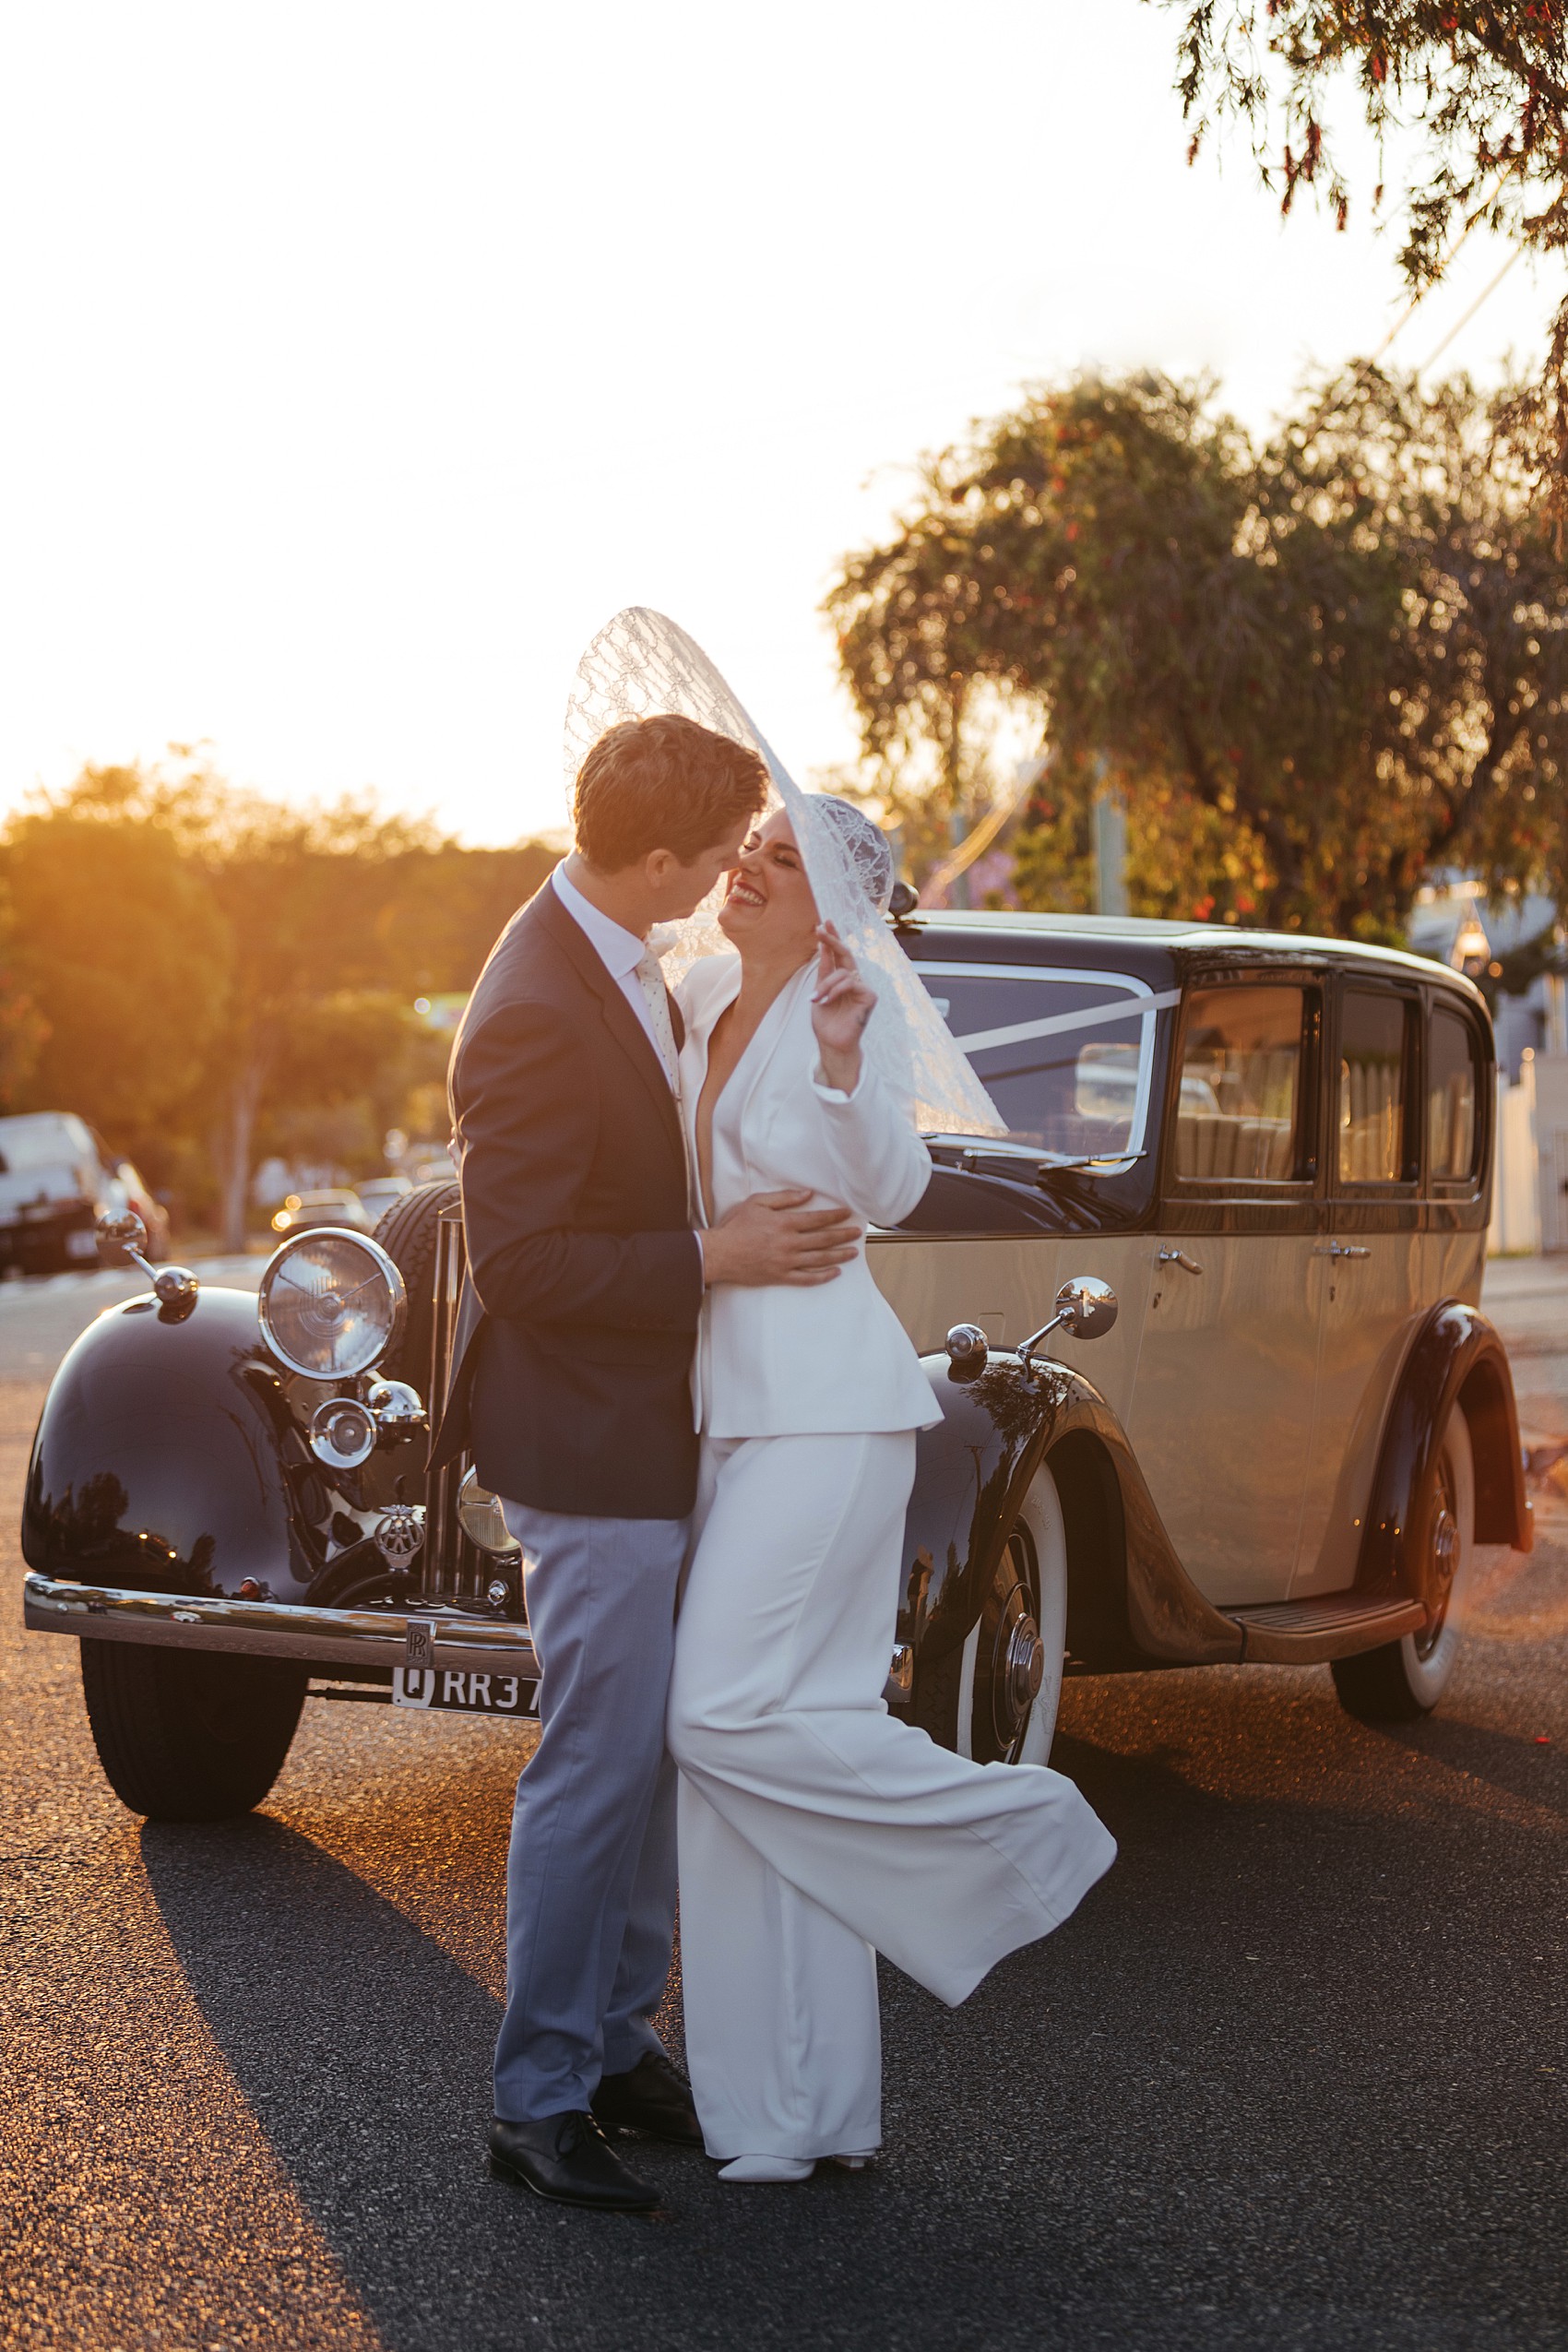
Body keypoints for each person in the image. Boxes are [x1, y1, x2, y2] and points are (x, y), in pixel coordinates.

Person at [431, 713, 863, 2214]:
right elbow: (529, 1263)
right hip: (586, 1435)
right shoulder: (533, 1003)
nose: (728, 876)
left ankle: (615, 2044)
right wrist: (717, 1254)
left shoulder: (625, 950)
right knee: (596, 1763)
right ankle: (537, 2094)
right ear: (661, 856)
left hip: (662, 1421)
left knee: (653, 1756)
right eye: (721, 853)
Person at [666, 797, 1118, 2182]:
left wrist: (853, 1061)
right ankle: (789, 2116)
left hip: (835, 1413)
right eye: (746, 842)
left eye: (781, 859)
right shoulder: (692, 997)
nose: (746, 863)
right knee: (752, 1769)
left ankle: (1012, 1829)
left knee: (714, 1714)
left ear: (833, 910)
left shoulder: (832, 1012)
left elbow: (898, 1184)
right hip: (726, 1416)